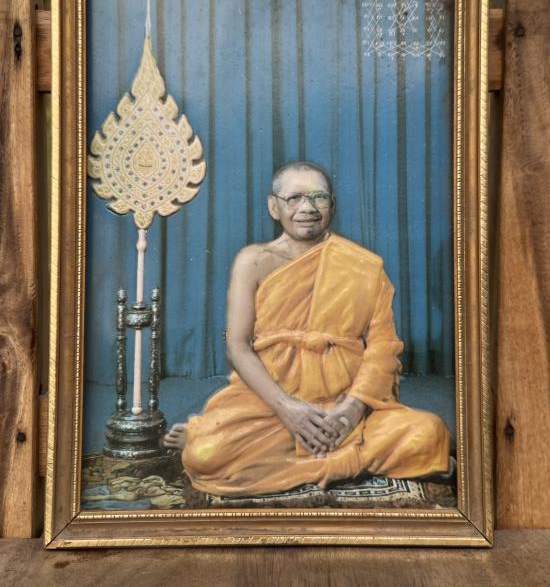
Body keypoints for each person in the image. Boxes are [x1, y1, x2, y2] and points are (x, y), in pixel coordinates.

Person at [164, 161, 451, 496]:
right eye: (294, 198)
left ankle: (312, 456)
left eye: (319, 198)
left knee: (429, 432)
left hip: (344, 400)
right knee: (205, 455)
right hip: (269, 402)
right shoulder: (253, 261)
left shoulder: (366, 266)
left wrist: (351, 410)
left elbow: (383, 349)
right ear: (274, 207)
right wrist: (287, 409)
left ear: (333, 206)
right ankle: (342, 460)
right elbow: (237, 346)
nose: (308, 208)